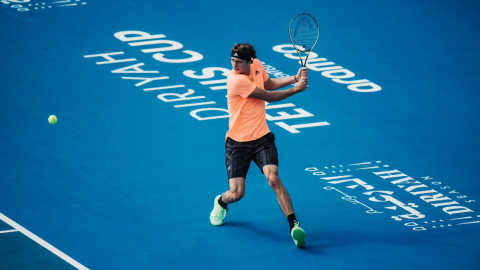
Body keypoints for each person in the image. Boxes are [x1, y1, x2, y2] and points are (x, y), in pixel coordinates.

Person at [209, 43, 309, 248]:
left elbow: (269, 84)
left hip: (262, 138)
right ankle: (221, 202)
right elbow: (269, 97)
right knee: (236, 194)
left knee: (273, 178)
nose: (234, 65)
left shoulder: (257, 66)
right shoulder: (235, 80)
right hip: (237, 144)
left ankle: (294, 225)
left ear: (250, 61)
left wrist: (294, 78)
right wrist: (296, 90)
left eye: (238, 62)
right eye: (232, 60)